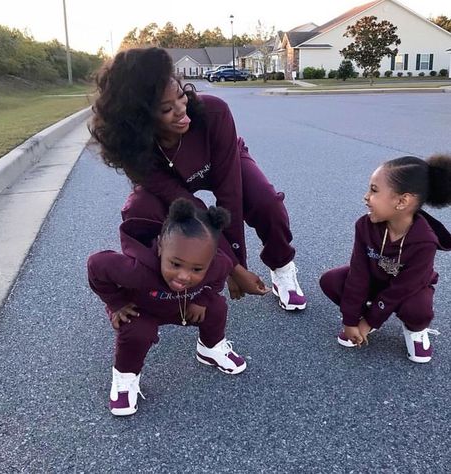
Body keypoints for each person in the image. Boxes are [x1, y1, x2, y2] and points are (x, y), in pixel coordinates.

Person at [90, 47, 306, 311]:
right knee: (139, 209)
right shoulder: (135, 151)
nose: (182, 110)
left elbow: (229, 193)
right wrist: (233, 269)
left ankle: (282, 265)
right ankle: (155, 279)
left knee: (265, 201)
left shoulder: (213, 112)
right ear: (140, 119)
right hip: (171, 182)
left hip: (222, 160)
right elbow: (193, 208)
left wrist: (237, 263)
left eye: (181, 96)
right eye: (167, 108)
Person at [87, 198, 246, 416]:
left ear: (210, 260)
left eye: (197, 269)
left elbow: (220, 275)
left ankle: (210, 348)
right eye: (175, 264)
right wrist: (117, 303)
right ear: (161, 246)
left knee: (216, 307)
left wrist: (202, 299)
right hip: (141, 309)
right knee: (136, 332)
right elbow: (96, 265)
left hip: (184, 306)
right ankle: (125, 377)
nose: (184, 276)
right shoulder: (135, 269)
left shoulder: (217, 264)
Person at [320, 154, 451, 363]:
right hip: (375, 280)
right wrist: (351, 320)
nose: (365, 197)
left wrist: (369, 323)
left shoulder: (425, 242)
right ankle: (366, 314)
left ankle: (415, 330)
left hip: (408, 290)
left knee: (417, 310)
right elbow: (358, 274)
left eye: (373, 190)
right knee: (331, 281)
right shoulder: (364, 226)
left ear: (402, 201)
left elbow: (403, 287)